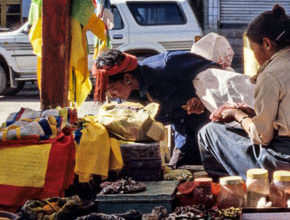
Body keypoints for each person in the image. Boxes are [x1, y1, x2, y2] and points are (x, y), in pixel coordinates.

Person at [197, 5, 290, 178]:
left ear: (267, 44)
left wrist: (237, 115)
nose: (255, 56)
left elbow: (262, 137)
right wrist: (252, 114)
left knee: (209, 132)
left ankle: (231, 190)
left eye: (253, 49)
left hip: (288, 163)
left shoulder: (271, 74)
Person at [92, 47, 220, 167]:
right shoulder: (129, 98)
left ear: (127, 78)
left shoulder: (166, 65)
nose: (112, 95)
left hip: (214, 125)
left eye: (112, 89)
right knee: (178, 170)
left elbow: (215, 70)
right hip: (184, 133)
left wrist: (202, 97)